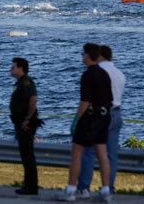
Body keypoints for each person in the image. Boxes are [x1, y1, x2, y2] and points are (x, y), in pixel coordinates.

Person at [55, 43, 113, 203]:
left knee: (77, 153)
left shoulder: (87, 75)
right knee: (102, 155)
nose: (82, 57)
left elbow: (85, 102)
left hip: (89, 118)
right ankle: (106, 191)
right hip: (104, 117)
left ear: (88, 56)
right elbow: (110, 99)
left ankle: (71, 190)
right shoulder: (104, 74)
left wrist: (76, 119)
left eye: (83, 54)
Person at [76, 45, 126, 199]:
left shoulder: (98, 73)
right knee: (110, 154)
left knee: (88, 151)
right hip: (116, 113)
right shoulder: (120, 74)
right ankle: (108, 188)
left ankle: (83, 187)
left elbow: (91, 96)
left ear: (100, 56)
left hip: (98, 114)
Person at [10, 57, 42, 195]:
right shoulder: (20, 83)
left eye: (13, 67)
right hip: (21, 122)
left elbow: (33, 99)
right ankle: (28, 184)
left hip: (26, 123)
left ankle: (31, 186)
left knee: (28, 154)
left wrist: (28, 119)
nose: (11, 70)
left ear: (20, 68)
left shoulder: (26, 82)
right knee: (25, 154)